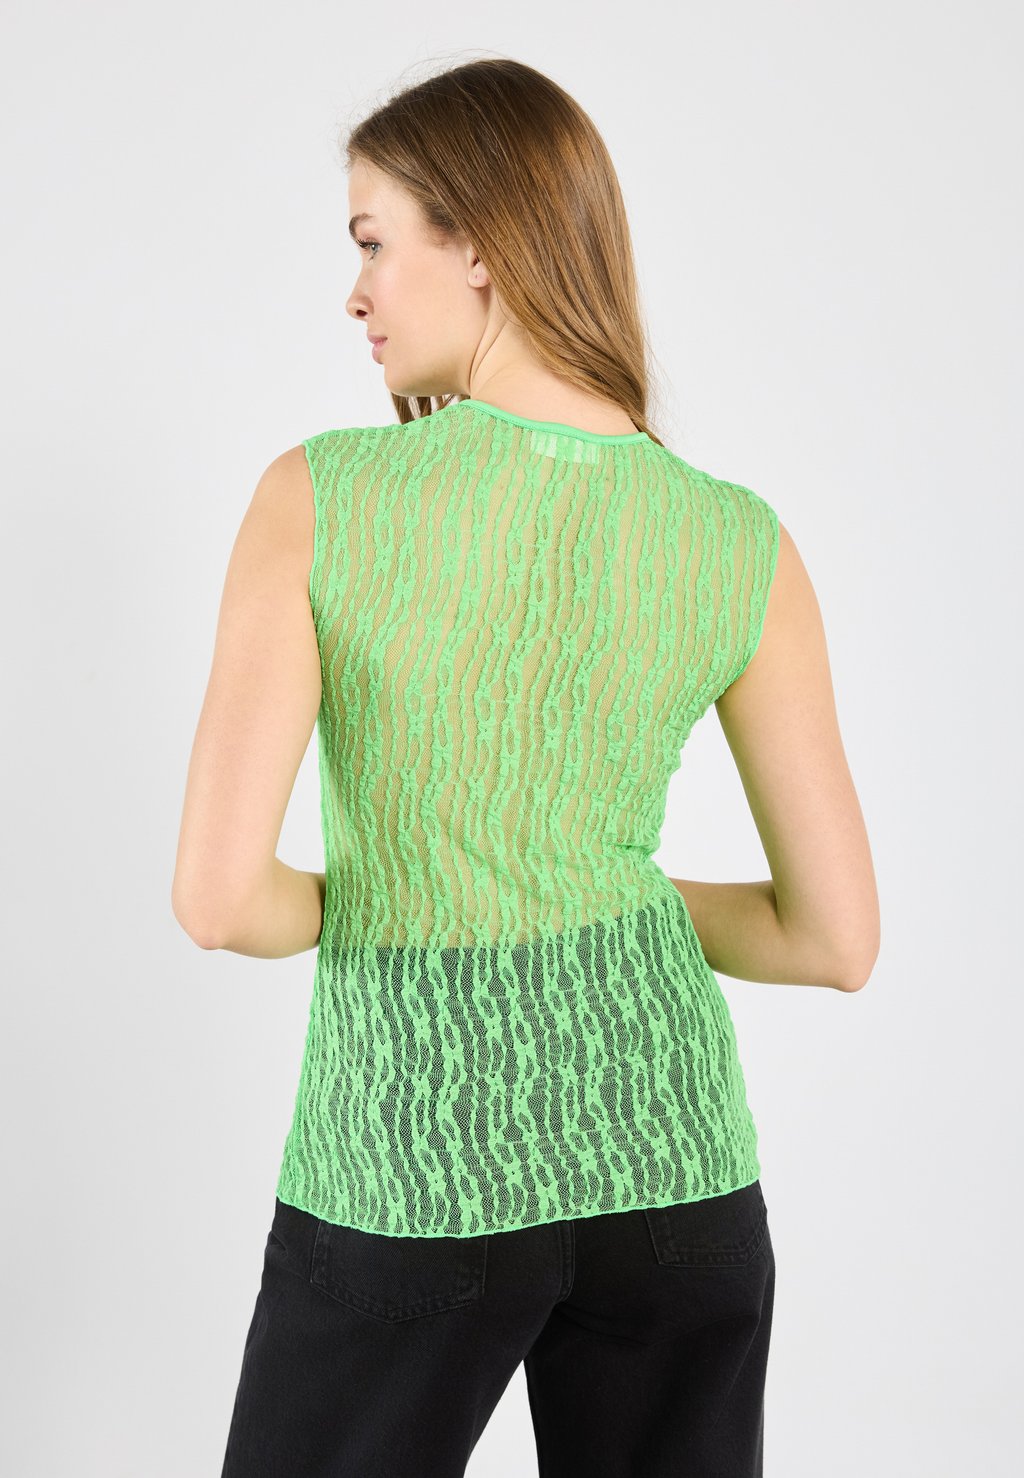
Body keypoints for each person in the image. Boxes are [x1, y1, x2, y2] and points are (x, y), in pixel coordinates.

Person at [172, 56, 880, 1478]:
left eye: (374, 241)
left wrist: (416, 885)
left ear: (482, 242)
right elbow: (836, 940)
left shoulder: (324, 496)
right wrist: (582, 887)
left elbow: (220, 899)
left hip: (415, 1160)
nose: (356, 293)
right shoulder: (737, 537)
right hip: (675, 1162)